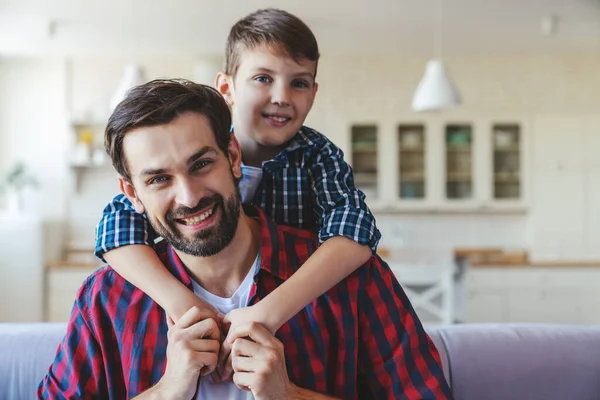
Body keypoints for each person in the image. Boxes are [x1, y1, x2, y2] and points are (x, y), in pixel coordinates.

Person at [38, 80, 452, 399]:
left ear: (233, 156)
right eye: (159, 179)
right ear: (132, 194)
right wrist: (168, 391)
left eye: (201, 164)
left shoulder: (352, 279)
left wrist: (289, 395)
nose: (189, 196)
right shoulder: (106, 299)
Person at [95, 8, 382, 374]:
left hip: (298, 319)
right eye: (263, 78)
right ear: (227, 88)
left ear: (314, 93)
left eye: (299, 82)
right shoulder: (193, 144)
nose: (281, 96)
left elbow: (356, 230)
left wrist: (267, 312)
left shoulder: (318, 156)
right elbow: (115, 229)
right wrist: (181, 303)